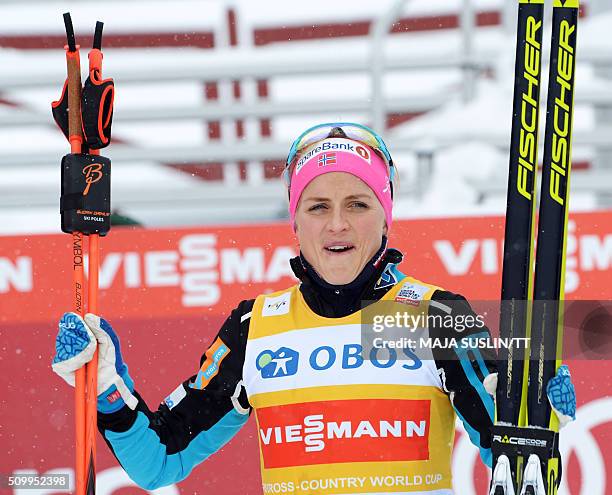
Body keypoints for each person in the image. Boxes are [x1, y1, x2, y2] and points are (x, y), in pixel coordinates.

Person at [52, 122, 575, 494]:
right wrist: (105, 387)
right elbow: (159, 461)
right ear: (295, 222)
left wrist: (538, 416)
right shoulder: (255, 327)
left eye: (358, 204)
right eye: (318, 207)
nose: (338, 225)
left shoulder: (434, 316)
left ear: (386, 215)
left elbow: (513, 457)